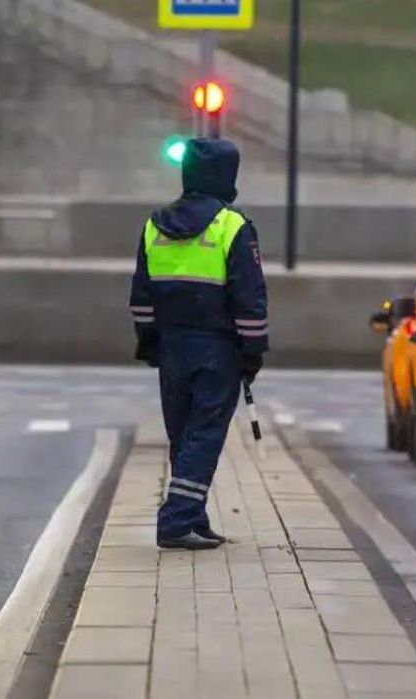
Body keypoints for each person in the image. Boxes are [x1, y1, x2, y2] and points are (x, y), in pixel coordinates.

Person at [129, 138, 269, 550]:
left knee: (184, 433)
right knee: (205, 432)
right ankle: (176, 520)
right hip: (217, 347)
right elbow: (250, 297)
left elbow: (141, 296)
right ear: (228, 176)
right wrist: (253, 350)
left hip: (171, 346)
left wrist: (149, 341)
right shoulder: (233, 226)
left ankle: (194, 514)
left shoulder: (154, 225)